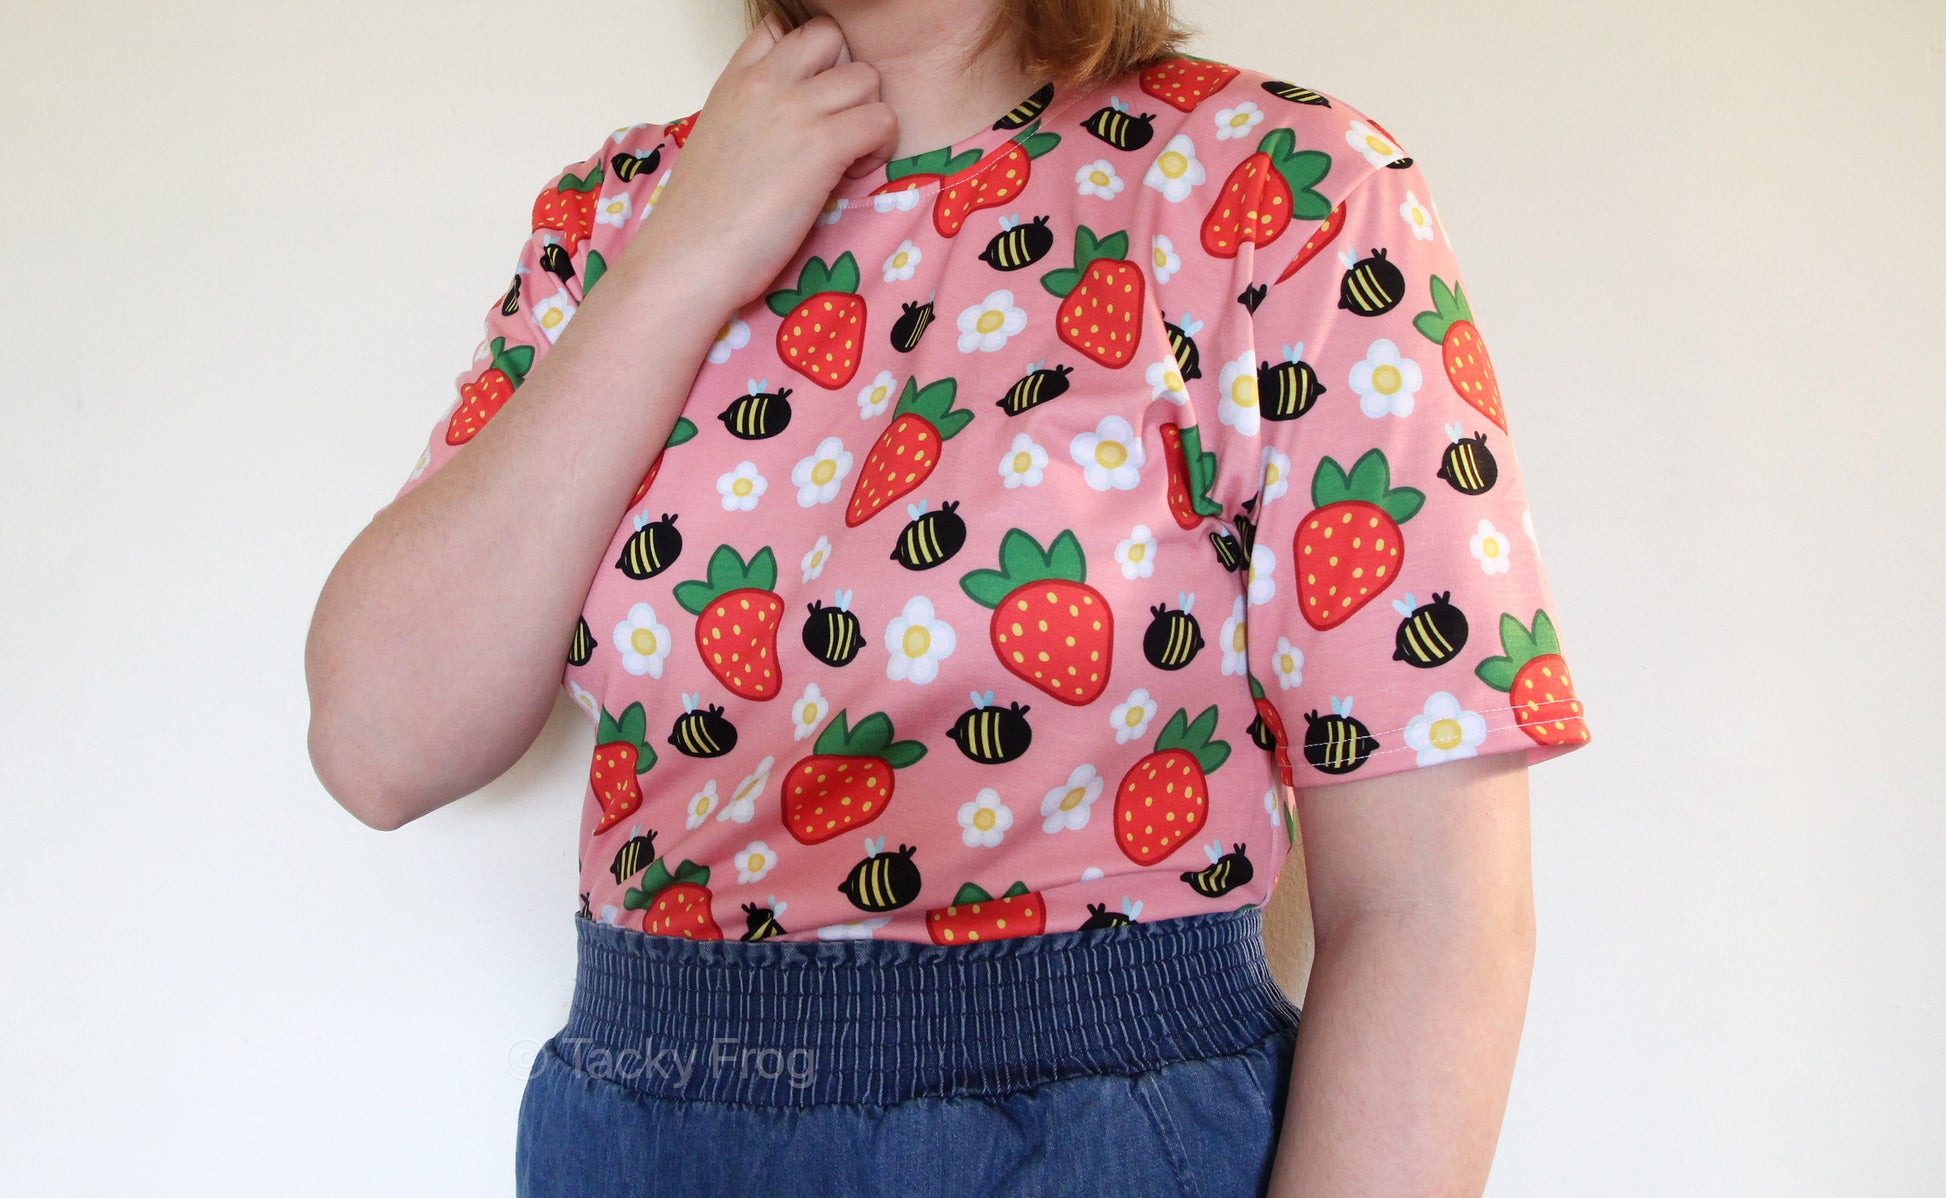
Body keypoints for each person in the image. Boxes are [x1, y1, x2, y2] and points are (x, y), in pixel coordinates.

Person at [305, 0, 1594, 1193]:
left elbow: (1438, 916)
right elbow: (379, 746)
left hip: (1090, 1141)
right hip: (640, 1128)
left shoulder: (1278, 185)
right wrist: (680, 261)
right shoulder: (609, 220)